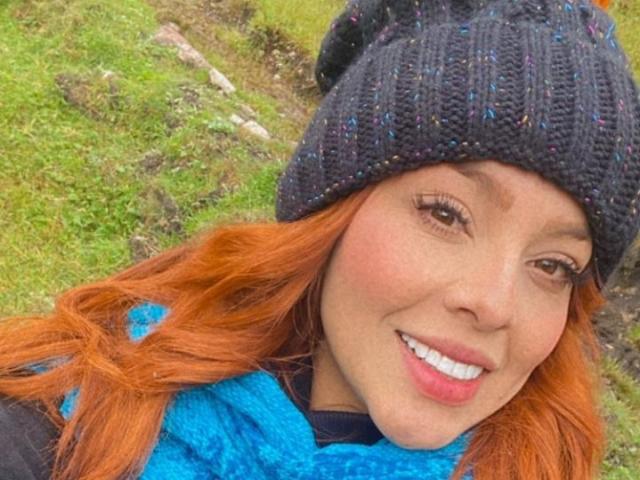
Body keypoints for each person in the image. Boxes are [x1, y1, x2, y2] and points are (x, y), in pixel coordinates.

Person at [0, 0, 635, 478]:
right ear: (333, 207)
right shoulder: (63, 421)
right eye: (446, 214)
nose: (494, 304)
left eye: (554, 264)